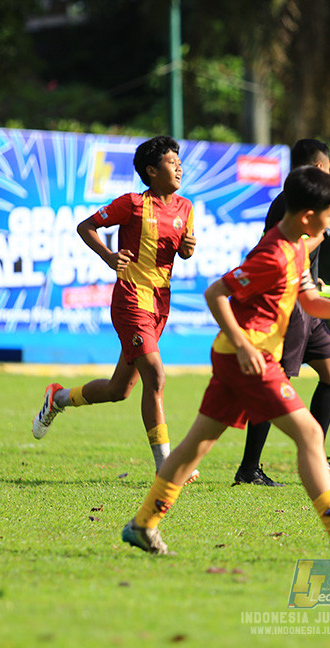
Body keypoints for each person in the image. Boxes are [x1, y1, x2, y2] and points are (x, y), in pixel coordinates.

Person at [121, 166, 330, 560]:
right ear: (307, 216)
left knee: (197, 444)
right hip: (247, 359)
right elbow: (216, 293)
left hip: (239, 357)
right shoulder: (273, 254)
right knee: (310, 435)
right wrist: (244, 346)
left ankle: (143, 524)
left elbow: (309, 301)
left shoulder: (299, 247)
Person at [31, 136, 198, 481]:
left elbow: (182, 251)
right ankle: (164, 465)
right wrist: (108, 255)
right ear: (151, 172)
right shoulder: (133, 204)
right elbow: (86, 226)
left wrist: (187, 249)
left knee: (118, 390)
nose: (179, 167)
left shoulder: (185, 208)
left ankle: (58, 398)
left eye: (179, 161)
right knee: (156, 376)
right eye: (171, 162)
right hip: (131, 300)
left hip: (160, 305)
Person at [235, 138, 330, 487]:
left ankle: (319, 459)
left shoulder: (303, 202)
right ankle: (249, 467)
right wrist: (325, 232)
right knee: (278, 383)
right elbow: (290, 249)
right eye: (327, 170)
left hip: (309, 303)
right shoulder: (290, 203)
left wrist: (315, 278)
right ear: (318, 169)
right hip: (292, 308)